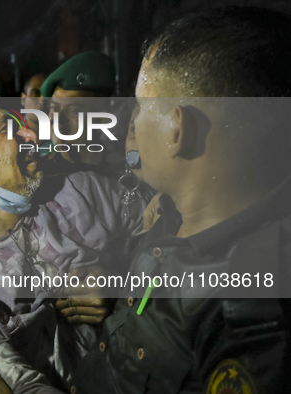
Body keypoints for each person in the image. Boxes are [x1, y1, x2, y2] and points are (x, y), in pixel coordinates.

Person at [67, 6, 291, 393]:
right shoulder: (172, 210)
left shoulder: (249, 310)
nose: (129, 122)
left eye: (139, 105)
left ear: (177, 129)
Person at [0, 88, 148, 392]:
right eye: (6, 130)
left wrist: (122, 284)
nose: (30, 135)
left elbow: (179, 242)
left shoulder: (81, 191)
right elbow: (17, 385)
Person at [39, 51, 124, 176]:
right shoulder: (39, 170)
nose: (58, 118)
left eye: (73, 109)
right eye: (54, 108)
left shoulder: (120, 174)